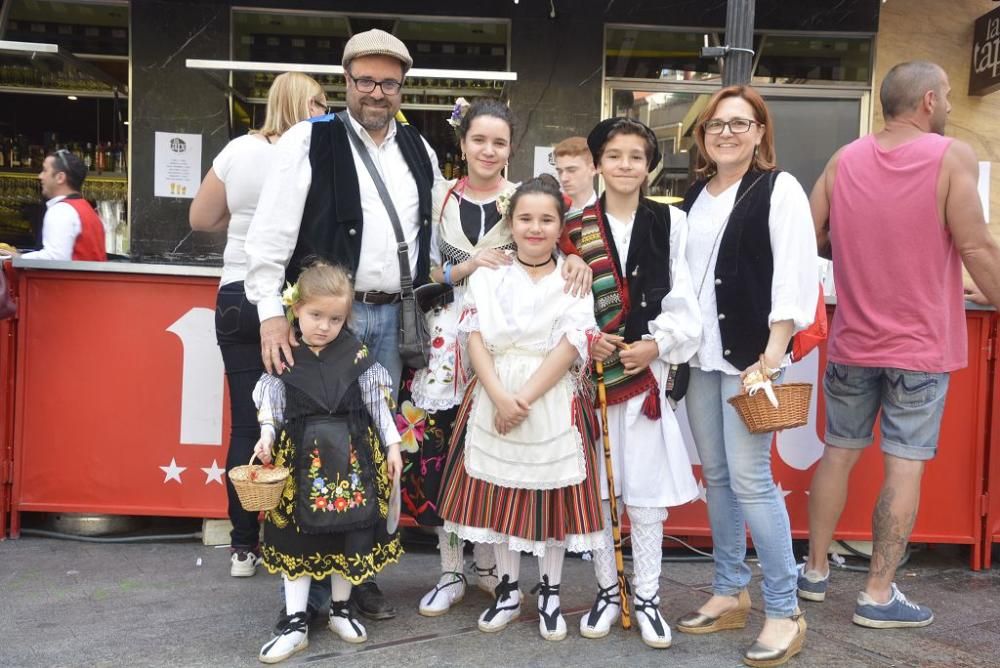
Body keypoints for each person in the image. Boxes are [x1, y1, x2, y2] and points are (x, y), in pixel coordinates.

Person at [245, 28, 440, 622]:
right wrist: (271, 316)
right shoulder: (308, 139)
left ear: (402, 87)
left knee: (374, 451)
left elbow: (430, 241)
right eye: (365, 80)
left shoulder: (419, 150)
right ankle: (314, 573)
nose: (376, 91)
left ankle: (360, 574)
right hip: (330, 320)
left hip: (395, 317)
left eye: (388, 81)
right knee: (317, 447)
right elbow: (270, 238)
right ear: (346, 80)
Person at [800, 61, 1000, 629]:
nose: (952, 112)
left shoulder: (844, 159)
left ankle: (813, 572)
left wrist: (860, 256)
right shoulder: (950, 156)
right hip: (919, 348)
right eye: (950, 103)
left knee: (838, 451)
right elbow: (979, 248)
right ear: (930, 101)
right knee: (904, 468)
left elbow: (809, 236)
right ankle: (877, 595)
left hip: (853, 341)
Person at [675, 86, 817, 668]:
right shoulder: (694, 195)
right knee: (717, 474)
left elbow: (794, 269)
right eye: (716, 124)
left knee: (752, 477)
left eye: (740, 123)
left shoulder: (779, 188)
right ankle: (731, 589)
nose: (727, 133)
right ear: (702, 134)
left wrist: (774, 349)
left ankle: (785, 609)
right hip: (702, 355)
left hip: (752, 359)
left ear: (760, 132)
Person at [436, 175, 605, 642]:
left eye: (546, 219)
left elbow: (573, 343)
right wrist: (497, 395)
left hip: (549, 396)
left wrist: (523, 399)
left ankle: (549, 591)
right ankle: (508, 590)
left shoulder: (573, 277)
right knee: (501, 494)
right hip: (493, 393)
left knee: (547, 496)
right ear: (510, 223)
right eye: (525, 218)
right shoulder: (489, 274)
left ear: (560, 225)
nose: (535, 228)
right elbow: (472, 335)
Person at [562, 117, 702, 650]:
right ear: (597, 163)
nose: (625, 165)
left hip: (645, 379)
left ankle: (646, 594)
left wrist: (657, 345)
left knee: (642, 497)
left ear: (649, 166)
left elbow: (685, 301)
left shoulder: (671, 224)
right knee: (599, 493)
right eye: (614, 155)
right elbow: (559, 304)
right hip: (591, 380)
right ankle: (606, 588)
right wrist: (584, 339)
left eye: (636, 156)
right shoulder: (573, 228)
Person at [189, 72, 327, 578]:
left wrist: (241, 219)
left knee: (247, 423)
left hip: (235, 295)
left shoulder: (237, 152)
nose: (324, 110)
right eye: (319, 101)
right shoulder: (310, 152)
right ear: (301, 102)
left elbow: (200, 218)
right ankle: (295, 539)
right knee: (301, 422)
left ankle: (243, 548)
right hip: (288, 300)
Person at [250, 260, 403, 663]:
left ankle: (339, 610)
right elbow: (272, 407)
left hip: (352, 462)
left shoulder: (357, 355)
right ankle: (296, 621)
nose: (324, 325)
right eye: (316, 315)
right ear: (296, 308)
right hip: (300, 464)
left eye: (335, 318)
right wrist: (266, 438)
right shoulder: (286, 357)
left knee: (347, 536)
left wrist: (392, 446)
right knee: (297, 541)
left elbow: (378, 406)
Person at [20, 149, 106, 261]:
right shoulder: (88, 209)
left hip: (71, 279)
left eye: (45, 171)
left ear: (60, 177)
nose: (40, 176)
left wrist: (17, 259)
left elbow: (55, 258)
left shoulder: (61, 211)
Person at [553, 136, 597, 214]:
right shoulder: (552, 214)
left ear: (592, 169)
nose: (563, 178)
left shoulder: (610, 215)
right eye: (560, 171)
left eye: (571, 170)